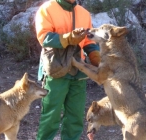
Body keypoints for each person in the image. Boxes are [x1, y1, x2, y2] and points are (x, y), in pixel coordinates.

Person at [35, 0, 100, 139]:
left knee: (75, 117)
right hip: (55, 70)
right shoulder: (47, 9)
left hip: (79, 73)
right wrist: (68, 38)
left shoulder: (84, 13)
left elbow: (89, 41)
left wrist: (96, 57)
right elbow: (44, 37)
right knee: (50, 116)